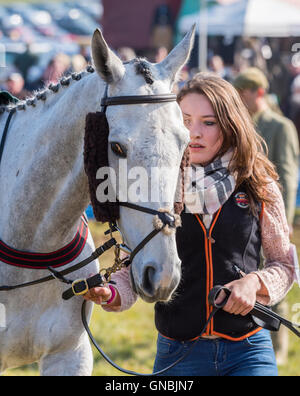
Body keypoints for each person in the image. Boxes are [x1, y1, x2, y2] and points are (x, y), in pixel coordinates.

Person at [84, 73, 295, 376]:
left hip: (249, 350)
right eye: (185, 120)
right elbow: (135, 262)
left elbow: (284, 266)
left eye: (208, 123)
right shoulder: (157, 188)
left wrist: (254, 284)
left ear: (231, 124)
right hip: (178, 353)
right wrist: (113, 293)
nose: (193, 133)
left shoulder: (258, 184)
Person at [233, 67, 299, 365]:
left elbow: (286, 174)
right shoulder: (241, 125)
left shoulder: (280, 126)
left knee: (275, 275)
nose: (238, 99)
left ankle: (279, 347)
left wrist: (278, 222)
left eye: (242, 93)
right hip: (246, 217)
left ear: (257, 92)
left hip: (271, 216)